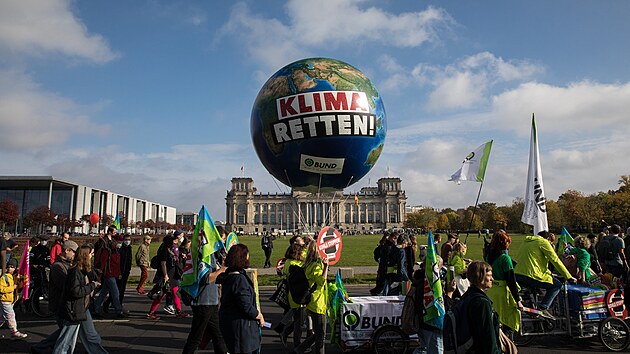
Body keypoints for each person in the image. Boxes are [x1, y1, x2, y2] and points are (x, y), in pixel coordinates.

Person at [53, 244, 107, 354]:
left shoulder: (83, 269)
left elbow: (94, 281)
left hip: (81, 307)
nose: (92, 256)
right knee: (67, 339)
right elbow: (75, 291)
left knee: (84, 335)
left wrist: (93, 282)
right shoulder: (75, 271)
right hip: (74, 308)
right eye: (91, 254)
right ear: (86, 256)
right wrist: (92, 286)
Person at [515, 231, 575, 319]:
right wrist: (568, 276)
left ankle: (532, 305)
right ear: (548, 239)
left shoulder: (526, 242)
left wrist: (549, 273)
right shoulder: (543, 242)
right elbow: (555, 260)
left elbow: (535, 261)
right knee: (557, 285)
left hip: (518, 274)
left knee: (537, 286)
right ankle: (542, 308)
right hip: (531, 274)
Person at [216, 244, 264, 354]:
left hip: (232, 323)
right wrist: (258, 315)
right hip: (241, 327)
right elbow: (245, 305)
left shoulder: (230, 276)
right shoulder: (239, 279)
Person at [30, 240, 77, 354]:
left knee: (65, 330)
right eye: (74, 252)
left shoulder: (64, 264)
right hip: (61, 304)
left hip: (64, 303)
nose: (75, 255)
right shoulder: (58, 266)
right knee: (66, 330)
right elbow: (66, 286)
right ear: (67, 251)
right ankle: (51, 348)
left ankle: (41, 347)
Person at [182, 250, 228, 354]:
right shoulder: (205, 254)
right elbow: (206, 278)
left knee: (217, 335)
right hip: (204, 301)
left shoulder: (209, 254)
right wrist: (221, 270)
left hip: (211, 301)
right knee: (196, 336)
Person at [291, 241, 328, 354]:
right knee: (321, 335)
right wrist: (326, 267)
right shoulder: (316, 266)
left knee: (318, 333)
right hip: (318, 303)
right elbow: (321, 281)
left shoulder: (306, 264)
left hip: (310, 302)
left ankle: (299, 349)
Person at [485, 230, 522, 332]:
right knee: (507, 320)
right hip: (502, 293)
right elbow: (511, 280)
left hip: (492, 291)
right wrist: (518, 300)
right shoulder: (505, 259)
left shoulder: (489, 256)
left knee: (495, 321)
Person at [147, 235, 189, 319]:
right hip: (166, 275)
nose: (174, 243)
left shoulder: (169, 249)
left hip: (173, 275)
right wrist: (165, 275)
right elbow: (163, 264)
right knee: (161, 294)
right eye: (173, 241)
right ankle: (151, 312)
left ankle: (178, 311)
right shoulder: (164, 250)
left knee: (175, 292)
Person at [464, 261, 500, 354]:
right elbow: (488, 336)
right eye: (489, 275)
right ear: (480, 277)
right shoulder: (481, 302)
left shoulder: (467, 296)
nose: (492, 278)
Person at [93, 226, 125, 319]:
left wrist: (118, 273)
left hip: (112, 274)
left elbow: (117, 264)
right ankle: (118, 310)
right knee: (115, 293)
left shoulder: (116, 251)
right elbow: (103, 262)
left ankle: (96, 306)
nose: (120, 244)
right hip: (108, 274)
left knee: (103, 293)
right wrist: (100, 274)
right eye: (119, 242)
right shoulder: (107, 249)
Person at [280, 243, 306, 349]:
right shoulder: (297, 264)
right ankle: (296, 344)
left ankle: (285, 332)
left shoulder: (287, 262)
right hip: (298, 294)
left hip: (292, 294)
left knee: (297, 319)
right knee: (298, 322)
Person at [0, 258, 28, 339]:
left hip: (11, 300)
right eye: (8, 266)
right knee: (10, 316)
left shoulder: (15, 277)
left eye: (12, 267)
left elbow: (19, 287)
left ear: (15, 268)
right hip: (5, 300)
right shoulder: (4, 277)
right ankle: (14, 332)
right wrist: (12, 287)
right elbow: (1, 289)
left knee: (2, 317)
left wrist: (22, 281)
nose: (10, 268)